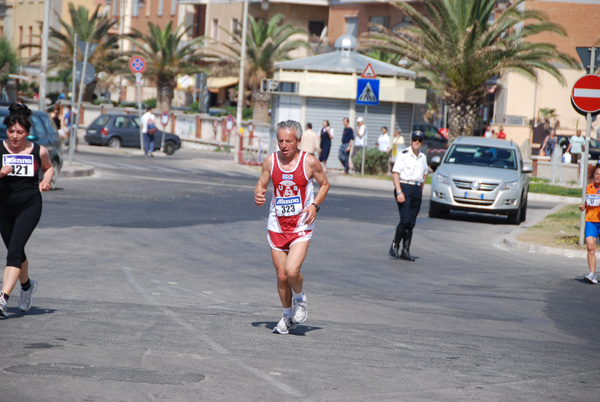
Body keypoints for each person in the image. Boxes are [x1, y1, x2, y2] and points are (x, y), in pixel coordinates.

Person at [254, 120, 330, 335]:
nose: (284, 145)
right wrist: (258, 193)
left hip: (301, 225)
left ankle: (300, 300)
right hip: (277, 224)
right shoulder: (270, 161)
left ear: (298, 141)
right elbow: (261, 183)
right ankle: (287, 316)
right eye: (280, 140)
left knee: (291, 270)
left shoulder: (310, 162)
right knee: (281, 276)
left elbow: (325, 184)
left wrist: (314, 205)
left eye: (288, 141)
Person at [0, 103, 54, 317]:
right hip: (3, 207)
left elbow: (49, 168)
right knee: (17, 251)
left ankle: (2, 298)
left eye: (19, 132)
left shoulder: (39, 150)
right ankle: (26, 287)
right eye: (11, 131)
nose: (14, 136)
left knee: (13, 253)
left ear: (28, 133)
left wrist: (46, 181)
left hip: (29, 206)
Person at [389, 130, 428, 262]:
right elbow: (395, 173)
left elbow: (425, 174)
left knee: (411, 223)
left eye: (419, 140)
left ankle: (406, 251)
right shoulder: (403, 154)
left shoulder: (423, 157)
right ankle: (395, 245)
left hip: (416, 189)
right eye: (415, 139)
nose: (417, 142)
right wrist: (399, 191)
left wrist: (420, 190)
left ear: (422, 142)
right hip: (404, 186)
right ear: (411, 141)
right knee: (405, 219)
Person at [580, 165, 600, 284]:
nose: (598, 176)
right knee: (590, 247)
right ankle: (592, 274)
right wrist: (583, 206)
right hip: (591, 221)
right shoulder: (589, 187)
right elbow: (588, 200)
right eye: (597, 174)